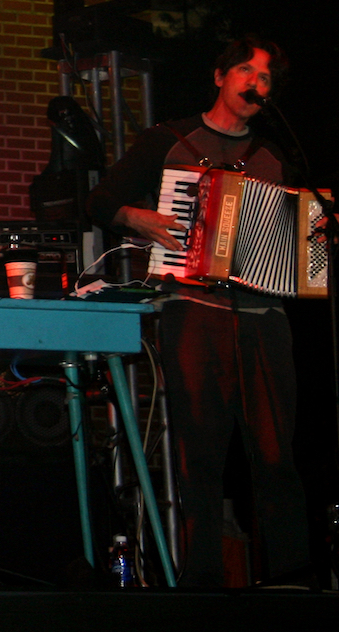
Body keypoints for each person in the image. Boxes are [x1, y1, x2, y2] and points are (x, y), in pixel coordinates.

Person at [87, 35, 311, 586]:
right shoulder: (169, 141)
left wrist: (319, 238)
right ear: (219, 77)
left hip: (263, 317)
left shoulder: (275, 157)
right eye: (244, 71)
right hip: (191, 308)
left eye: (264, 78)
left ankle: (289, 576)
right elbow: (99, 201)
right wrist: (138, 219)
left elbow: (299, 240)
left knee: (275, 452)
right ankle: (203, 581)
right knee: (199, 453)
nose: (254, 83)